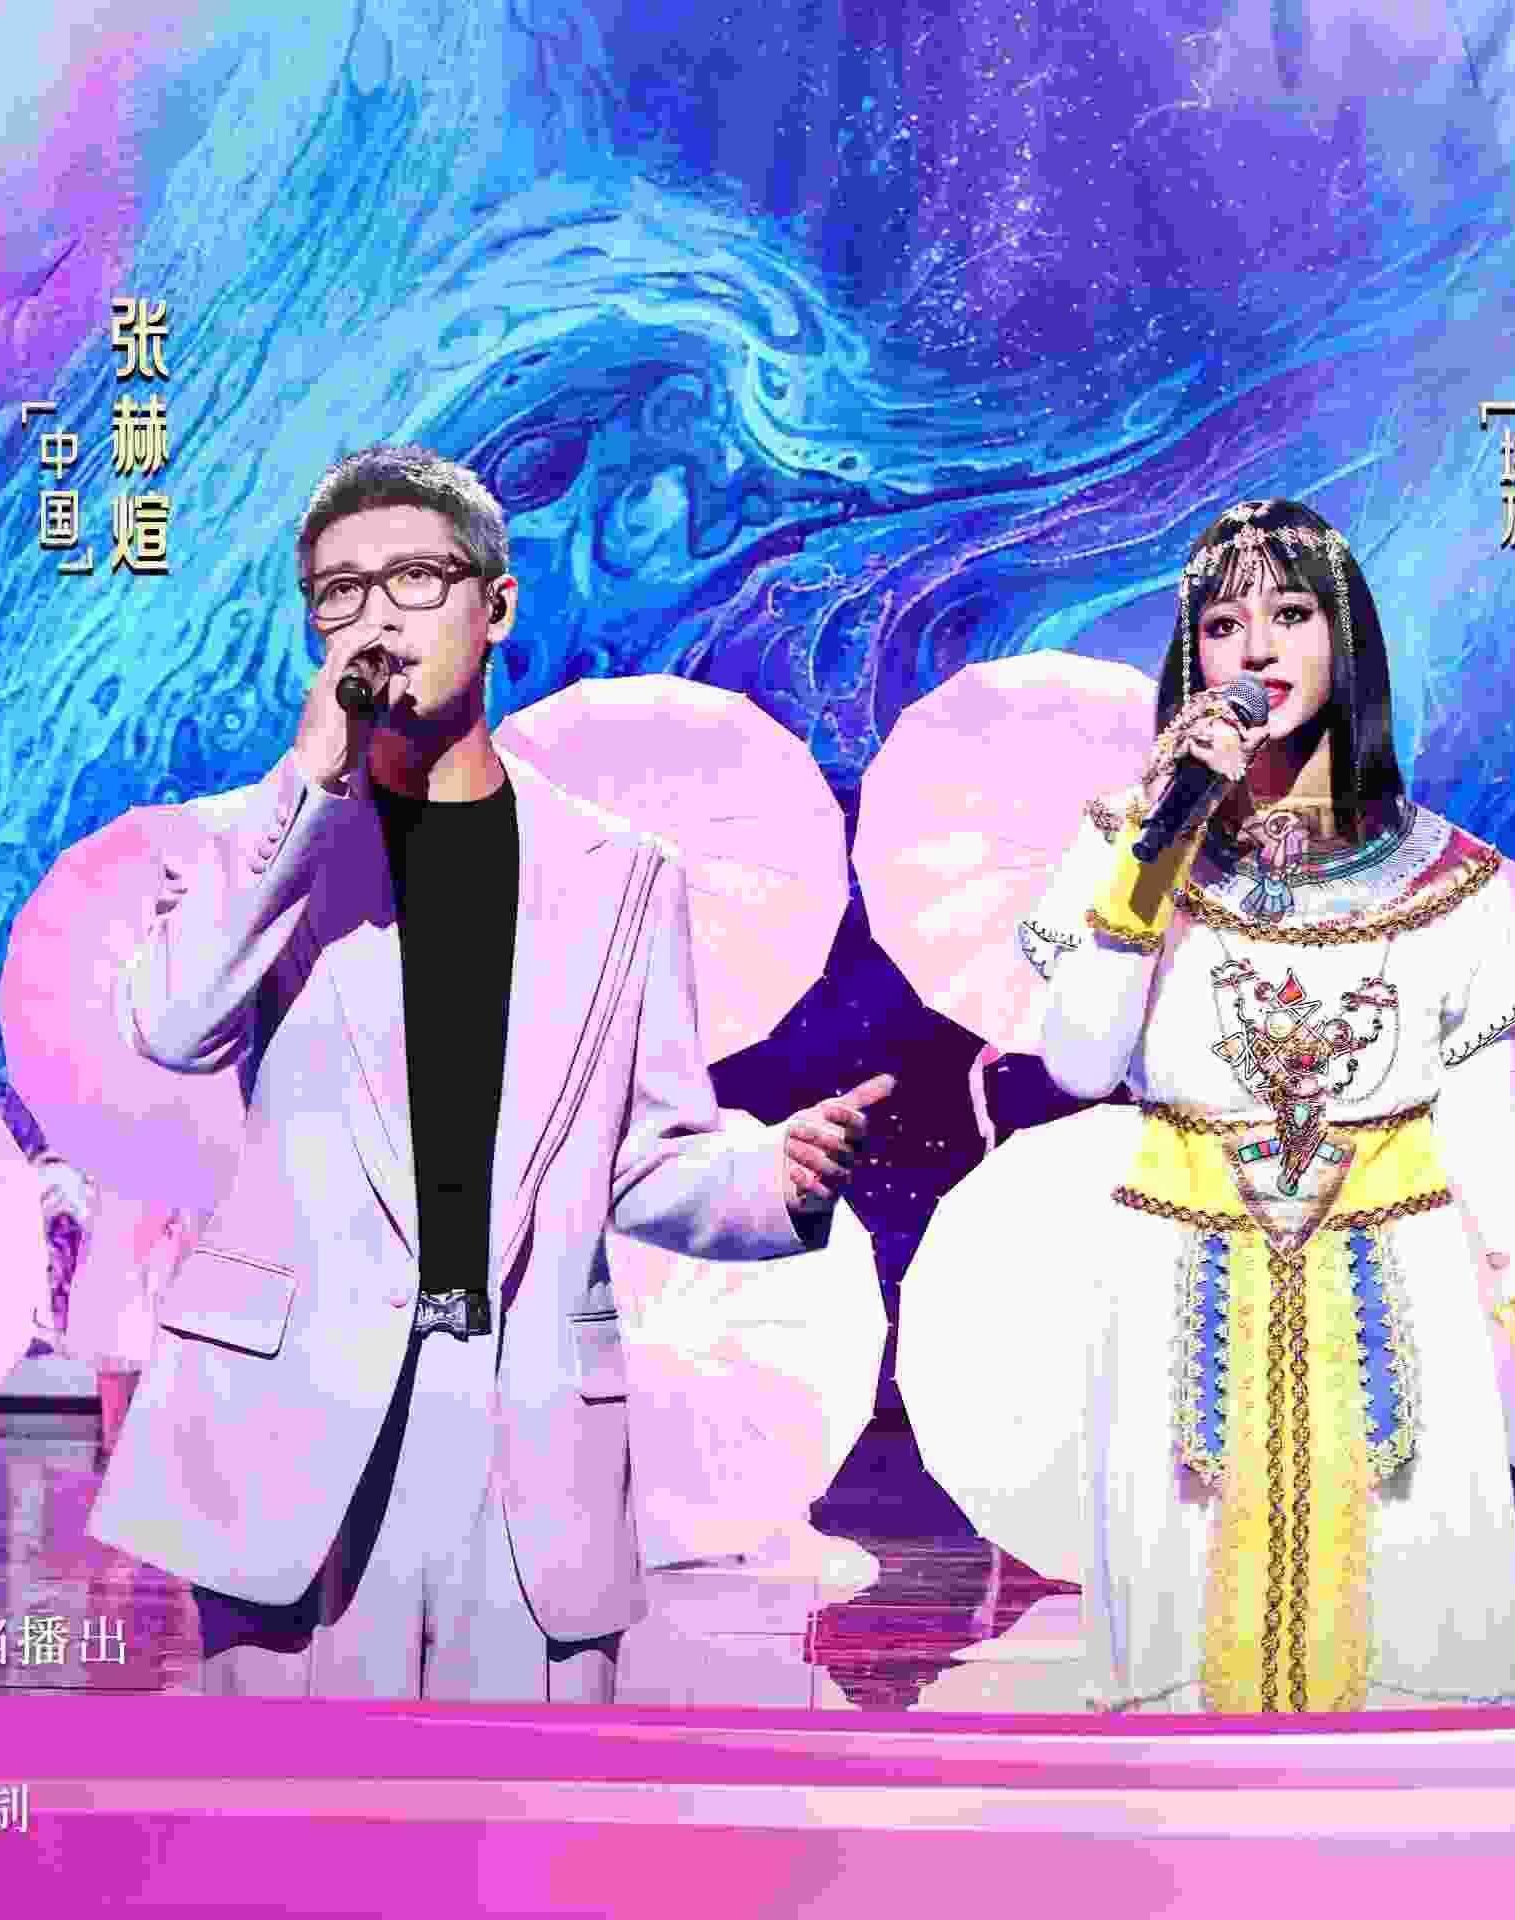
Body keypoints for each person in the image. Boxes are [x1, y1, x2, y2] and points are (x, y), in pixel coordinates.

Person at [85, 445, 894, 1703]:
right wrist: (308, 784)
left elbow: (649, 1158)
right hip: (298, 1417)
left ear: (496, 604)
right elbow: (175, 1022)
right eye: (339, 594)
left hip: (530, 1426)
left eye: (414, 578)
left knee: (524, 1809)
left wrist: (770, 1178)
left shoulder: (621, 876)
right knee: (287, 1810)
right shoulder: (258, 844)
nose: (376, 620)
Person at [940, 497, 1515, 1713]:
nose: (1256, 649)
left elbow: (1493, 1151)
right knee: (1180, 1676)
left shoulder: (1451, 885)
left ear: (1346, 640)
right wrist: (1159, 841)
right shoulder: (1126, 845)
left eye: (1291, 615)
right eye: (1221, 626)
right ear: (1189, 661)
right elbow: (1081, 1064)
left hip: (1394, 1290)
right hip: (1178, 1288)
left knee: (1409, 1673)